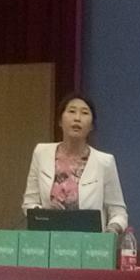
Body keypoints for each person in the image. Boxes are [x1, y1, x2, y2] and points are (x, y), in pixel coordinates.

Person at [22, 93, 128, 234]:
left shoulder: (105, 162)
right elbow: (29, 203)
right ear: (60, 121)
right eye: (72, 111)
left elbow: (118, 212)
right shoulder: (41, 153)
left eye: (84, 113)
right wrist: (45, 213)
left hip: (89, 242)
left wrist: (112, 230)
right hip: (48, 239)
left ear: (91, 126)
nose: (77, 118)